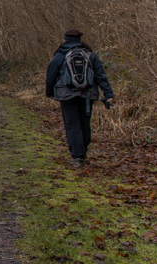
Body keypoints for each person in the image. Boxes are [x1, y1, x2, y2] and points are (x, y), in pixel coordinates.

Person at [45, 30, 114, 168]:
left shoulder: (60, 55)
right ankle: (82, 151)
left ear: (65, 40)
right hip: (87, 95)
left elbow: (51, 75)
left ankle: (78, 156)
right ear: (79, 40)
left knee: (72, 125)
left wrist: (49, 92)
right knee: (84, 123)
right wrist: (108, 94)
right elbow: (101, 76)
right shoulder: (90, 55)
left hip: (66, 95)